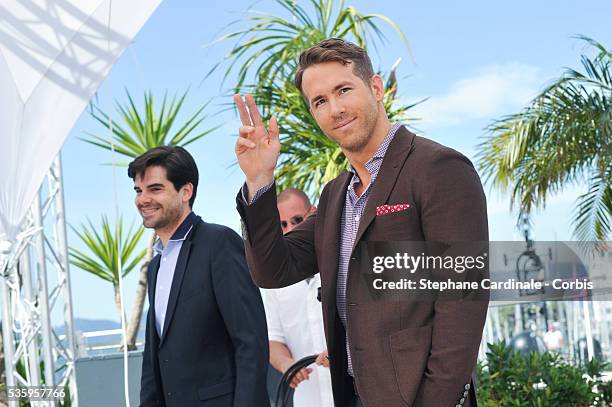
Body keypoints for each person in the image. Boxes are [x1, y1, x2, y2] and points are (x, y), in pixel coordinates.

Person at [234, 38, 489, 407]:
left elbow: (462, 303)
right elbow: (273, 270)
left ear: (376, 88)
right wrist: (260, 181)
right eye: (320, 101)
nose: (335, 108)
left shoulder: (439, 169)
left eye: (343, 90)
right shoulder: (334, 195)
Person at [134, 146, 269, 407]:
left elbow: (250, 343)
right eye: (139, 191)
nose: (143, 199)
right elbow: (154, 362)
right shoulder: (155, 267)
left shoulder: (219, 243)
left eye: (155, 189)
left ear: (186, 191)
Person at [263, 188, 333, 406]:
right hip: (307, 399)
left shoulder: (342, 263)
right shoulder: (270, 283)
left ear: (314, 214)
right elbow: (273, 339)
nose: (290, 229)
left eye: (296, 220)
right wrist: (287, 366)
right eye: (282, 225)